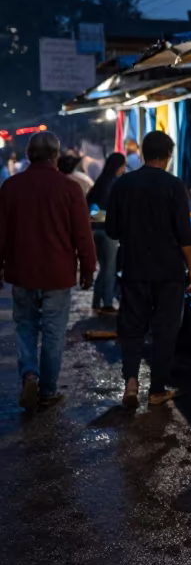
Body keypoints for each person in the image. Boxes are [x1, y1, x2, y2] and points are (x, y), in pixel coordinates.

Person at [0, 132, 96, 411]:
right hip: (58, 273)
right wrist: (88, 267)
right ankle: (47, 391)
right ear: (56, 156)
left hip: (22, 272)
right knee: (54, 332)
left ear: (29, 155)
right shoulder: (69, 188)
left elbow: (1, 233)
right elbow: (82, 233)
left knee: (26, 326)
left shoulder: (11, 187)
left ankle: (29, 373)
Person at [106, 131, 191, 408]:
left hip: (134, 267)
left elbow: (111, 229)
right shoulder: (174, 185)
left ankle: (131, 383)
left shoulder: (123, 184)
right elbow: (185, 234)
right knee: (165, 330)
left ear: (144, 153)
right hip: (169, 272)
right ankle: (157, 390)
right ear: (168, 156)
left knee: (133, 328)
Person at [87, 152, 127, 313]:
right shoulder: (114, 184)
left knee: (104, 267)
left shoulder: (100, 183)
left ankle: (97, 301)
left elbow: (92, 212)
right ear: (119, 167)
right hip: (108, 232)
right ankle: (108, 303)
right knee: (109, 268)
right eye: (123, 166)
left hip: (96, 231)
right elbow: (99, 213)